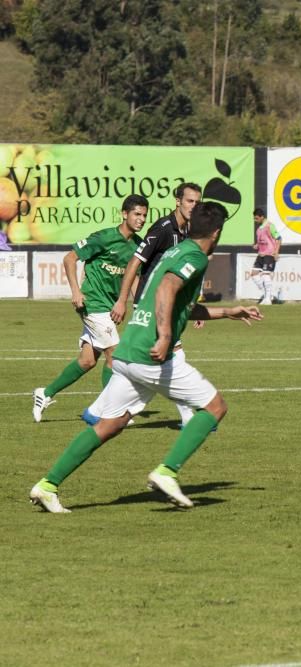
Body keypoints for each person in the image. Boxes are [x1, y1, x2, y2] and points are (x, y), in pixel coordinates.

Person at [29, 202, 263, 513]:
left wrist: (228, 312)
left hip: (128, 350)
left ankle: (47, 485)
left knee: (110, 425)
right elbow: (166, 288)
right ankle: (167, 472)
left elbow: (180, 304)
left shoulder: (175, 252)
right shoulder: (194, 256)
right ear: (217, 232)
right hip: (150, 353)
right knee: (215, 406)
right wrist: (165, 336)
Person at [32, 195, 149, 422]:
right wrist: (76, 291)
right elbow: (70, 258)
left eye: (144, 215)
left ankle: (44, 393)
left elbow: (133, 278)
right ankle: (109, 411)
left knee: (87, 360)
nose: (141, 219)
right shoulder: (104, 238)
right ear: (124, 214)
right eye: (137, 214)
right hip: (92, 303)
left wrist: (138, 306)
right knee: (115, 354)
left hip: (109, 308)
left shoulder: (137, 245)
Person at [98, 182, 202, 427]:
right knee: (172, 355)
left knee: (142, 361)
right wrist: (122, 300)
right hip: (150, 302)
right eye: (189, 201)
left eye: (198, 203)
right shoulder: (163, 228)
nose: (193, 206)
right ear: (178, 201)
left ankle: (101, 409)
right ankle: (189, 417)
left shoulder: (187, 231)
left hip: (168, 303)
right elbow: (135, 262)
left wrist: (193, 304)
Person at [251, 207, 282, 305]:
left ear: (262, 217)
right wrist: (257, 245)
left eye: (256, 218)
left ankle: (268, 299)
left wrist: (276, 252)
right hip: (260, 254)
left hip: (269, 254)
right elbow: (261, 241)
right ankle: (268, 295)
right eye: (254, 218)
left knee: (265, 275)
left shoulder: (270, 226)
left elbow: (279, 238)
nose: (255, 220)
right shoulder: (259, 229)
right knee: (254, 274)